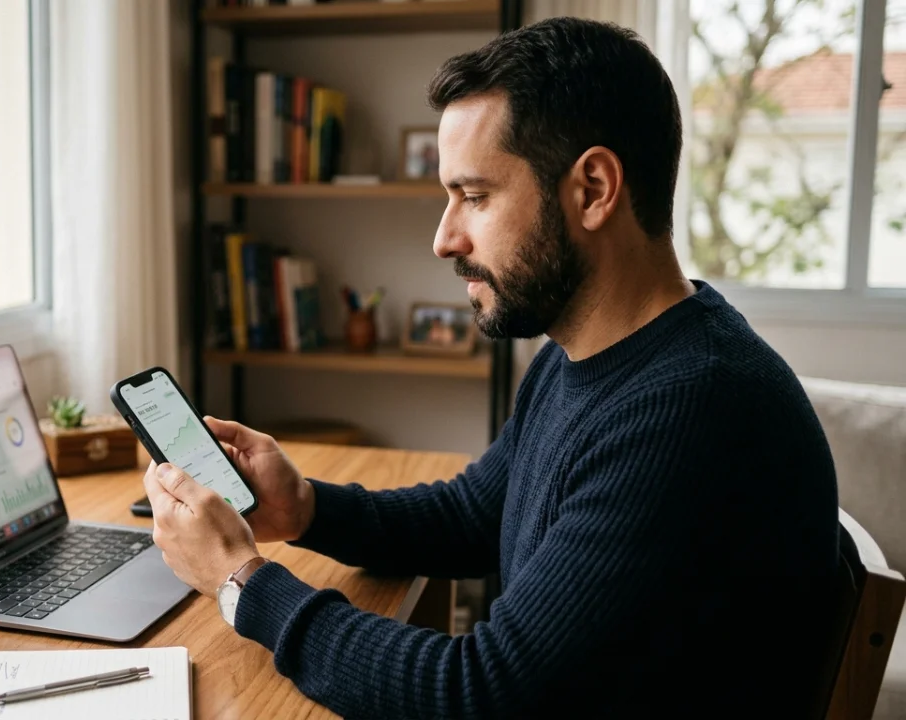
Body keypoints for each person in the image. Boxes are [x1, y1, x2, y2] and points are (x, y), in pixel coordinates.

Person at [141, 17, 838, 718]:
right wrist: (306, 508)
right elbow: (475, 513)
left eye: (474, 197)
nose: (445, 238)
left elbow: (479, 695)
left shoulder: (695, 408)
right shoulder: (591, 353)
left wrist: (240, 580)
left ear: (594, 189)